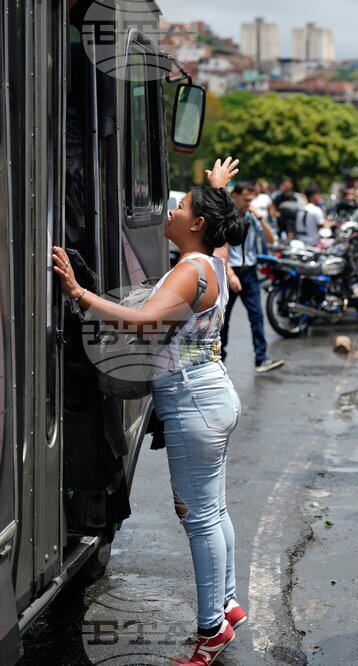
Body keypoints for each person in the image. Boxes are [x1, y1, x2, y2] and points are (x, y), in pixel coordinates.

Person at [53, 157, 248, 665]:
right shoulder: (213, 263)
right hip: (212, 394)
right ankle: (227, 605)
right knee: (215, 508)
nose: (172, 209)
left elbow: (143, 322)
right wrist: (215, 190)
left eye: (182, 206)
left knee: (199, 516)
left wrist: (79, 293)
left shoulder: (191, 269)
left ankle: (211, 631)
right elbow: (218, 234)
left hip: (192, 402)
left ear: (198, 224)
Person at [220, 182, 283, 374]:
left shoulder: (252, 218)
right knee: (223, 319)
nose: (248, 203)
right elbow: (219, 249)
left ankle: (261, 358)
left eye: (251, 199)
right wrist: (230, 274)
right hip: (230, 270)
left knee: (257, 315)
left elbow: (272, 239)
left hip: (249, 271)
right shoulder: (225, 218)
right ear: (235, 196)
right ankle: (219, 360)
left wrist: (261, 217)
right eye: (245, 199)